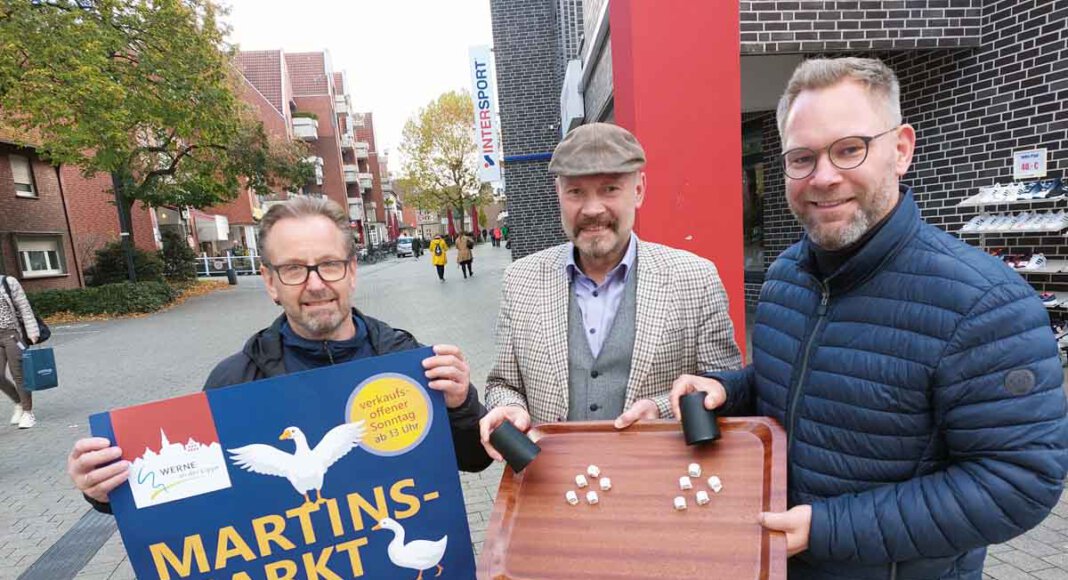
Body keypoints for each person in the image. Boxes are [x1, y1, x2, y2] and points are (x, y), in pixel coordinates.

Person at [669, 58, 1068, 579]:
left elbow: (1018, 482)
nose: (824, 177)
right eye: (802, 158)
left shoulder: (986, 302)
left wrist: (829, 529)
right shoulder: (788, 275)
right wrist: (730, 390)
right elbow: (807, 387)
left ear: (901, 149)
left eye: (849, 149)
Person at [68, 198, 492, 512]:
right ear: (270, 282)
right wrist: (104, 490)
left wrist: (460, 404)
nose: (315, 284)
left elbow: (474, 460)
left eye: (329, 264)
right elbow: (187, 494)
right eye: (293, 269)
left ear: (352, 271)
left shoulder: (407, 361)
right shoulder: (234, 383)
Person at [479, 122, 742, 457]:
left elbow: (726, 389)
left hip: (660, 488)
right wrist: (508, 409)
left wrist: (660, 409)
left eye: (609, 189)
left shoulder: (696, 278)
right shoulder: (520, 280)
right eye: (576, 192)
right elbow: (503, 384)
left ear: (639, 190)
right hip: (552, 485)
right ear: (558, 193)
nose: (592, 209)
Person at [0, 275, 40, 429]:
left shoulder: (7, 282)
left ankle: (28, 412)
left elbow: (24, 307)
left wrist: (32, 331)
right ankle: (18, 402)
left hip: (12, 335)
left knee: (19, 374)